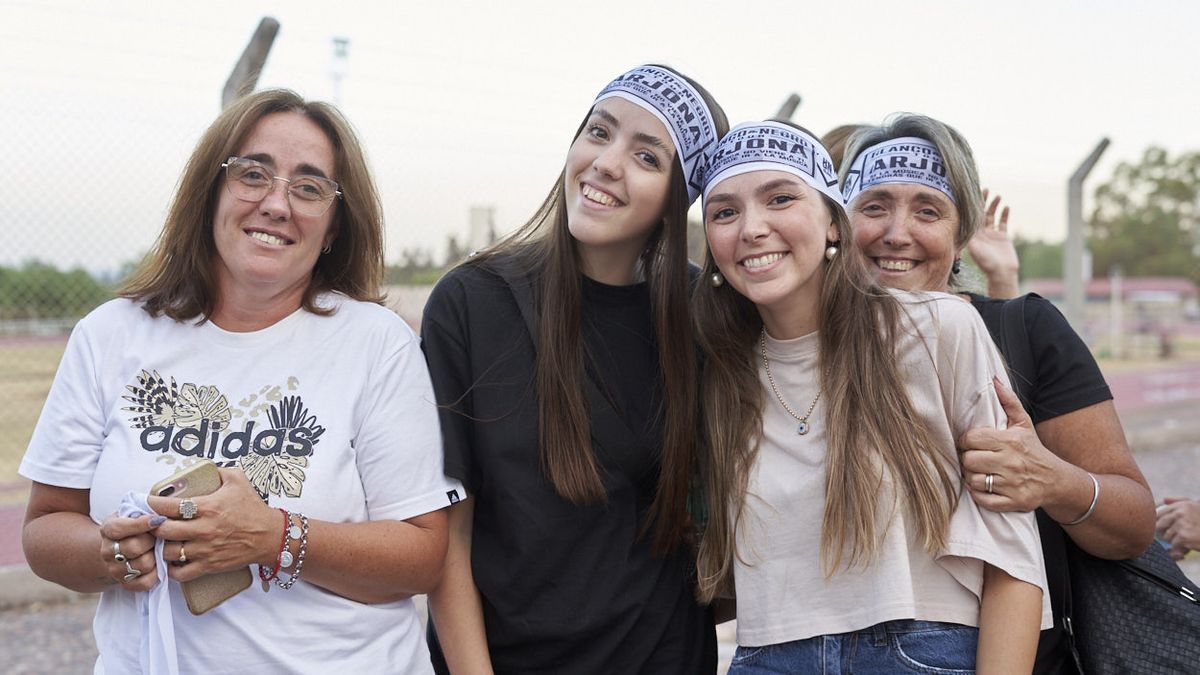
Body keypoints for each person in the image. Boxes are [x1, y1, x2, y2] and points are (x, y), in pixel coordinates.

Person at [19, 89, 461, 673]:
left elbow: (423, 557)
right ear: (210, 193)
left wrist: (275, 536)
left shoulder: (376, 343)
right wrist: (112, 553)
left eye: (308, 187)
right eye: (253, 174)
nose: (277, 204)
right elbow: (46, 529)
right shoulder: (110, 335)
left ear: (332, 226)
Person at [694, 120, 1050, 673]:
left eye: (781, 199)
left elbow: (1012, 557)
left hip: (921, 649)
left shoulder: (937, 328)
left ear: (834, 223)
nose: (752, 228)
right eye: (724, 211)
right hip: (766, 655)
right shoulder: (718, 366)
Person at [421, 64, 727, 674]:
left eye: (647, 156)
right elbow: (447, 538)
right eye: (599, 132)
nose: (607, 163)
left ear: (679, 197)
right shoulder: (473, 301)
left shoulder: (704, 316)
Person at [840, 113, 1156, 673]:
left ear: (961, 235)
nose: (896, 232)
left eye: (928, 211)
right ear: (838, 224)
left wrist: (1051, 480)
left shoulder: (1025, 330)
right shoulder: (803, 344)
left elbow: (1132, 524)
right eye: (873, 206)